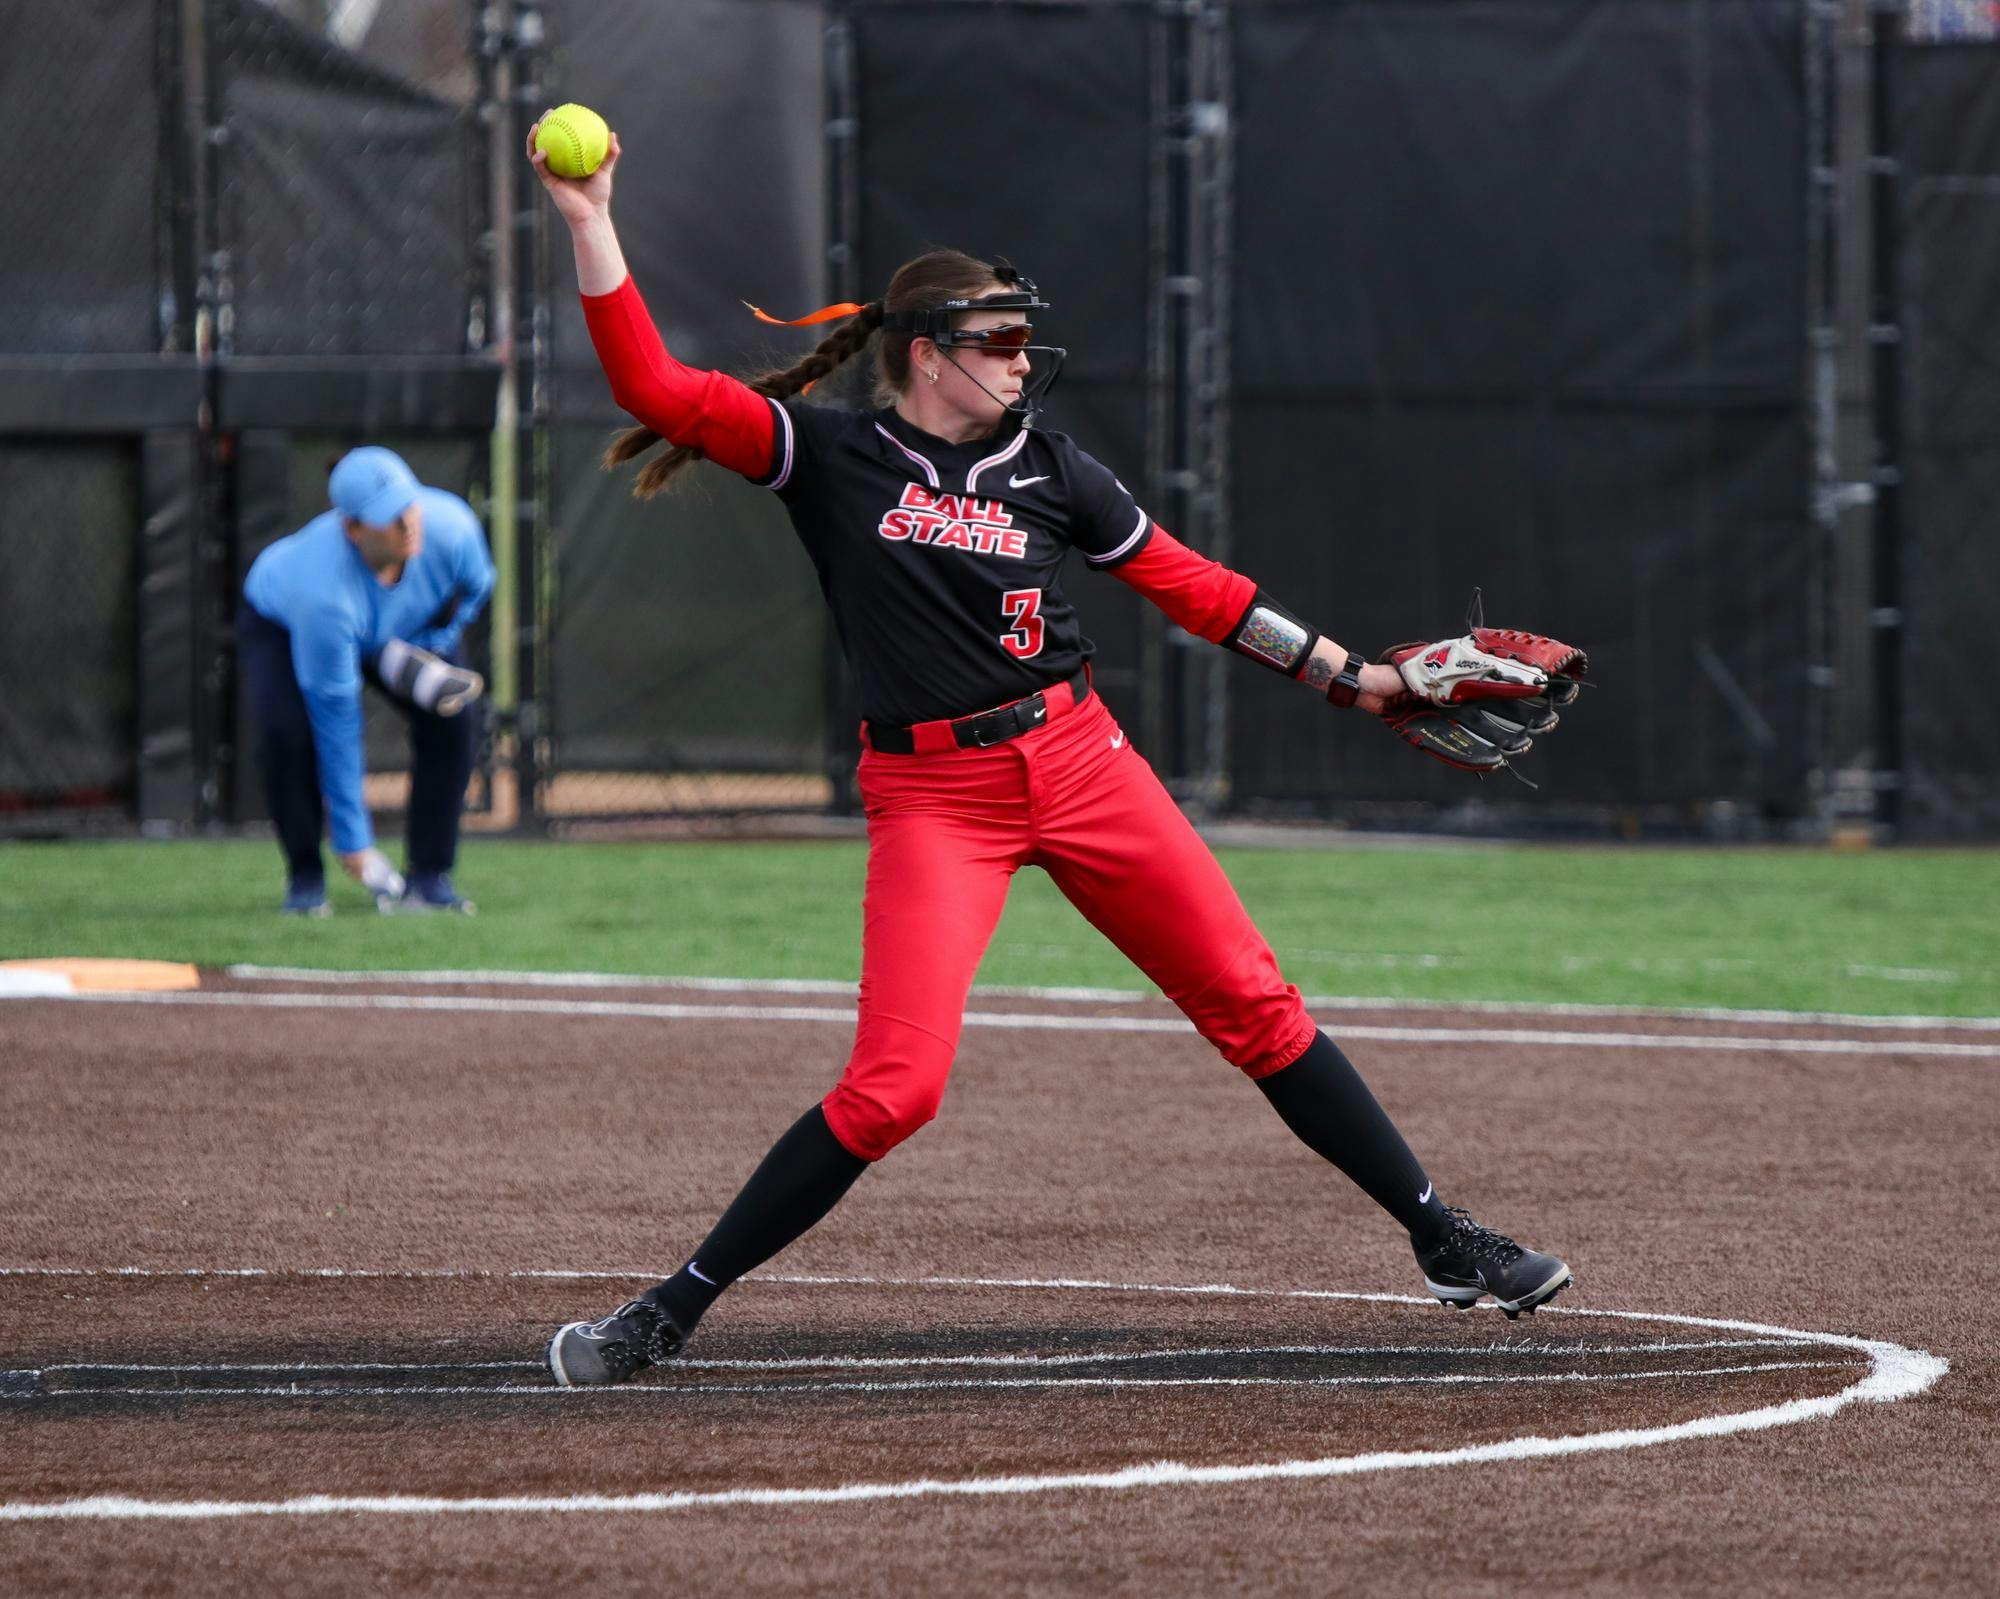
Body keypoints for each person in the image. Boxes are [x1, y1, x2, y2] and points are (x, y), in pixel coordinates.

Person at [529, 122, 1573, 1388]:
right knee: (891, 1093)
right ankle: (671, 1308)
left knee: (1255, 1006)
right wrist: (590, 222)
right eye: (998, 342)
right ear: (926, 357)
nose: (1024, 362)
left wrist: (1357, 679)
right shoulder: (833, 454)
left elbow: (1199, 591)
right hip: (933, 798)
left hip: (1078, 761)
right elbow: (653, 390)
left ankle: (1437, 1234)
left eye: (1025, 340)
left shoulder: (1055, 472)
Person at [238, 446, 493, 916]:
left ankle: (429, 878)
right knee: (288, 736)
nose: (408, 521)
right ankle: (306, 879)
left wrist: (432, 639)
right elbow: (337, 721)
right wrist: (355, 841)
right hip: (285, 623)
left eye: (409, 503)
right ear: (353, 529)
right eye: (388, 515)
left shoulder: (451, 528)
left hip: (402, 627)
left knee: (455, 719)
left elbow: (478, 585)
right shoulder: (323, 596)